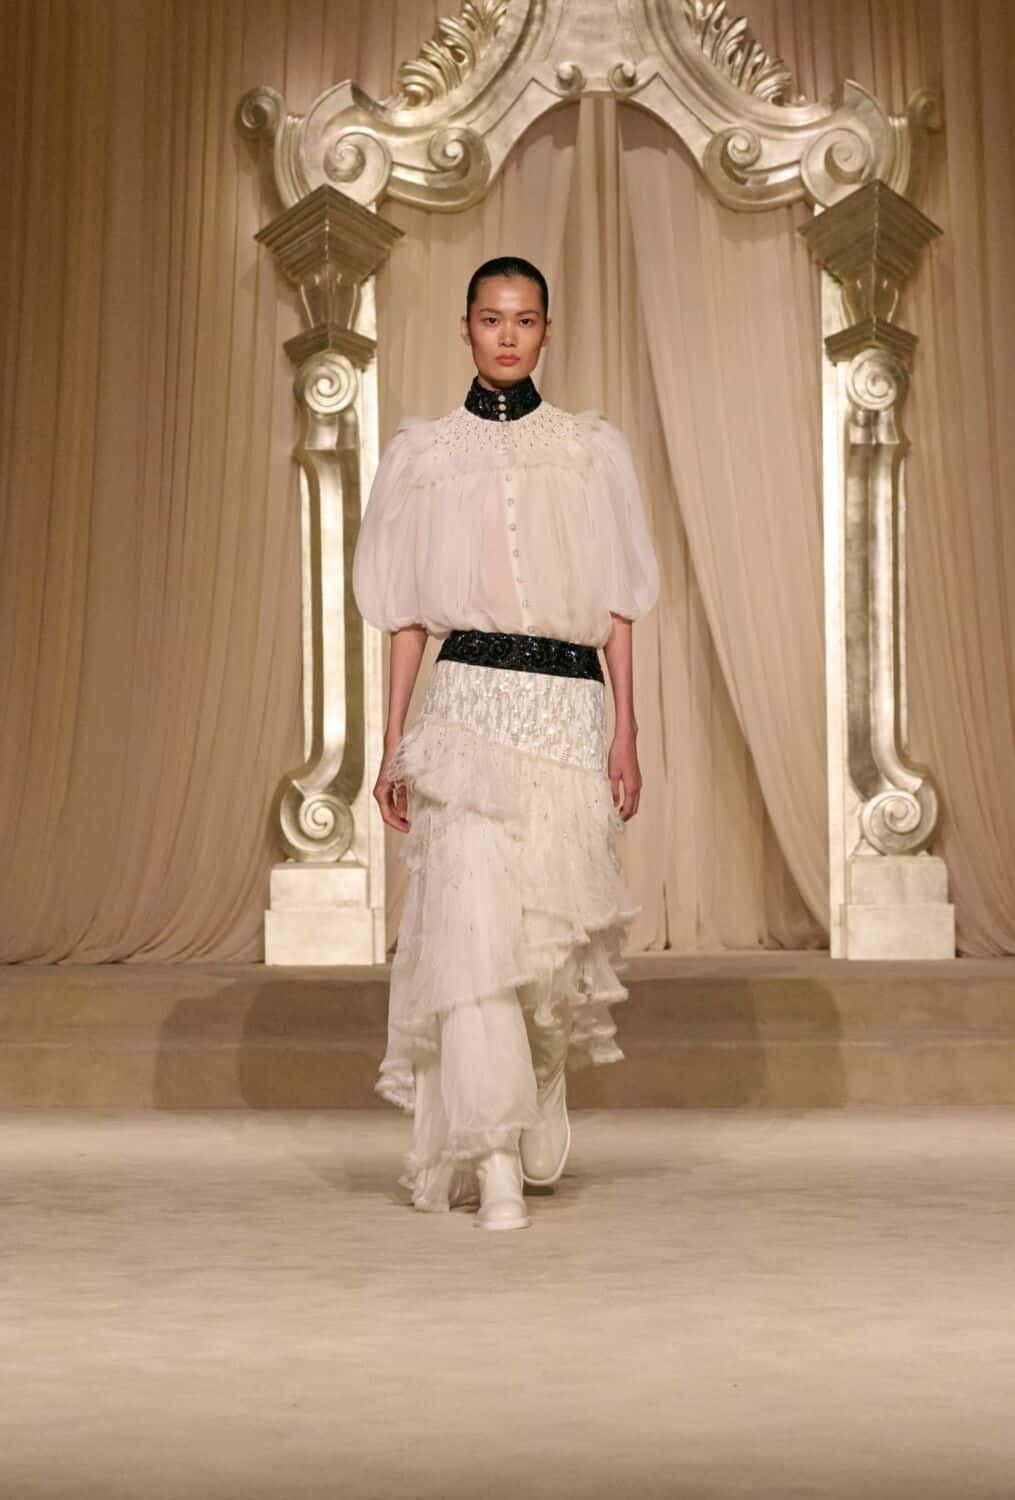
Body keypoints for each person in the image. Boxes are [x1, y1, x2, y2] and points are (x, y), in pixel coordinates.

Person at [352, 255, 660, 1231]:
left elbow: (618, 603)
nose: (508, 335)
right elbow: (407, 615)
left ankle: (538, 1074)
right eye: (491, 318)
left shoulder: (589, 451)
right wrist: (390, 742)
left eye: (525, 319)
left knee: (548, 941)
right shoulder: (423, 456)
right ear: (466, 328)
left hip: (566, 711)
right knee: (472, 927)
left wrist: (627, 727)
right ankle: (489, 1158)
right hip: (467, 708)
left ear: (546, 331)